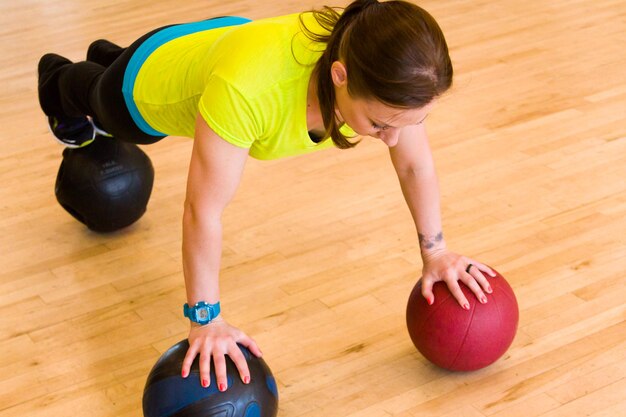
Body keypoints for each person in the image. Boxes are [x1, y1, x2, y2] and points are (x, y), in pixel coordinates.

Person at [37, 0, 496, 392]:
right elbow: (203, 209)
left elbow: (414, 162)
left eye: (409, 123)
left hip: (221, 47)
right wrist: (205, 320)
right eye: (381, 126)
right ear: (340, 75)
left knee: (133, 70)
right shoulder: (249, 92)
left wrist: (436, 251)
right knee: (106, 105)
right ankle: (58, 78)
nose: (395, 140)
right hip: (152, 84)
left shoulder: (376, 58)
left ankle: (106, 54)